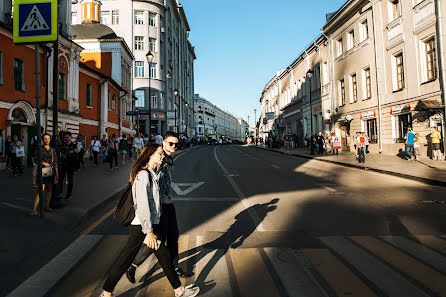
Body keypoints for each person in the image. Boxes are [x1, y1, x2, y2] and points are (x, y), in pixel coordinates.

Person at [100, 143, 200, 297]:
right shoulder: (143, 175)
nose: (162, 156)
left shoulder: (152, 173)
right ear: (150, 156)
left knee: (164, 257)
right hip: (142, 226)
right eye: (159, 153)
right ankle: (106, 292)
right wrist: (148, 232)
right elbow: (143, 205)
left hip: (150, 224)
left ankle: (179, 290)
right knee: (125, 261)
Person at [126, 131, 193, 284]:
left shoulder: (168, 158)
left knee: (174, 236)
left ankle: (174, 266)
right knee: (158, 240)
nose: (174, 146)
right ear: (163, 142)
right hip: (159, 206)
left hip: (168, 203)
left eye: (176, 144)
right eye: (171, 143)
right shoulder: (160, 158)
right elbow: (147, 177)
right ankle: (132, 264)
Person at [30, 133, 59, 215]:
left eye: (48, 138)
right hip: (43, 171)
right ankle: (34, 209)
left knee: (49, 189)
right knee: (40, 191)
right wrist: (43, 163)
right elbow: (36, 161)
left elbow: (56, 162)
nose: (47, 140)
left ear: (50, 139)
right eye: (45, 139)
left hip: (51, 170)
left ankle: (47, 206)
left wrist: (57, 174)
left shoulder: (53, 150)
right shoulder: (39, 149)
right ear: (42, 140)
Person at [57, 132, 78, 200]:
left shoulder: (74, 145)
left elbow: (77, 154)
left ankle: (69, 194)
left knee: (70, 180)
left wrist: (74, 152)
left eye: (68, 137)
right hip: (63, 165)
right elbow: (59, 152)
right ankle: (59, 192)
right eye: (65, 137)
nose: (66, 138)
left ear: (70, 137)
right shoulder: (62, 145)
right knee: (60, 179)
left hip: (70, 165)